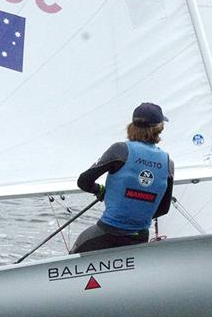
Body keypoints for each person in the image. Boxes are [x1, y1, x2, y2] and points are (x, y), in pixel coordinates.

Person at [70, 102, 175, 253]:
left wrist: (100, 190)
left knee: (76, 251)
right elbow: (163, 209)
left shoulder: (120, 150)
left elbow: (84, 182)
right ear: (160, 128)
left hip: (107, 233)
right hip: (139, 238)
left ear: (132, 125)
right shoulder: (168, 163)